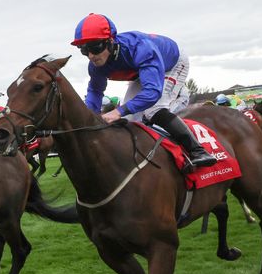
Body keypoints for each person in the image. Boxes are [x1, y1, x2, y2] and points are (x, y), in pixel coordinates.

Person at [71, 13, 216, 170]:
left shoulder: (140, 48)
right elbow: (95, 92)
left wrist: (117, 111)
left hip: (172, 64)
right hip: (143, 73)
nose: (91, 55)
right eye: (84, 50)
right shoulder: (95, 66)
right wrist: (87, 119)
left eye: (95, 47)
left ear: (111, 40)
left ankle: (197, 151)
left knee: (153, 110)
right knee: (130, 118)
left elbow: (152, 92)